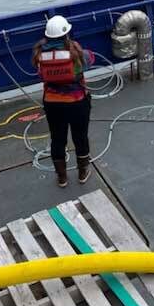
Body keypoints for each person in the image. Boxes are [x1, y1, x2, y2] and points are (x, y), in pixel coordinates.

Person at [31, 15, 94, 188]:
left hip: (53, 103)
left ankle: (62, 178)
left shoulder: (39, 55)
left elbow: (40, 74)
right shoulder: (75, 51)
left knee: (57, 139)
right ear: (66, 33)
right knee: (80, 137)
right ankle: (82, 173)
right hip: (78, 102)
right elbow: (89, 60)